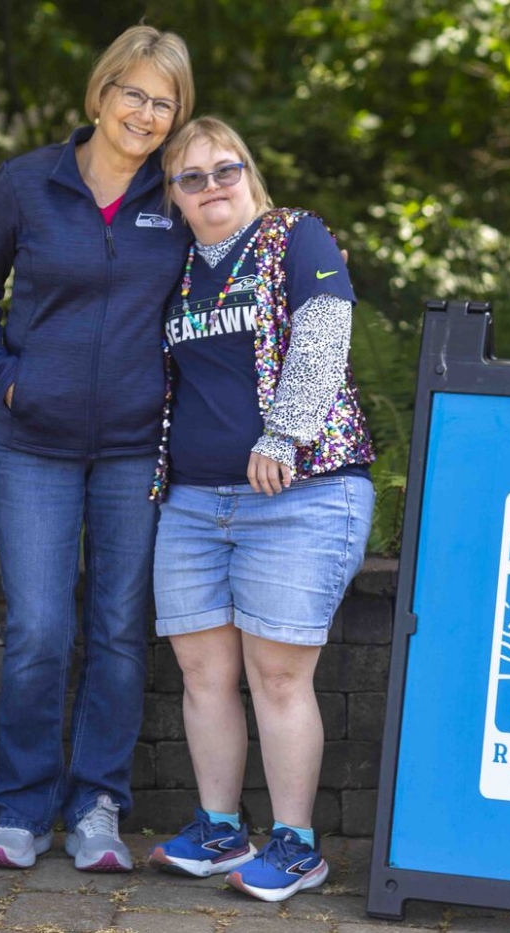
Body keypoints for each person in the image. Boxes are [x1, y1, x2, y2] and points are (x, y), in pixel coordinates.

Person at [0, 26, 194, 872]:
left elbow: (242, 253)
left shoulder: (179, 194)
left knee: (123, 627)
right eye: (134, 93)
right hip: (32, 444)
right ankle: (19, 812)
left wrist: (309, 255)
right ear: (101, 93)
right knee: (41, 628)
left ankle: (96, 807)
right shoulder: (27, 182)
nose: (147, 113)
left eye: (165, 103)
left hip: (135, 447)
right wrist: (5, 376)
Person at [144, 117, 375, 902]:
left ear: (250, 173)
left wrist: (284, 433)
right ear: (171, 195)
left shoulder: (294, 236)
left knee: (277, 675)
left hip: (302, 493)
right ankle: (219, 829)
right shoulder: (174, 269)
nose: (212, 186)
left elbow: (323, 330)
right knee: (202, 671)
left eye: (225, 169)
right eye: (191, 177)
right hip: (193, 503)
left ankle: (297, 845)